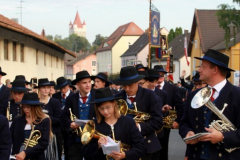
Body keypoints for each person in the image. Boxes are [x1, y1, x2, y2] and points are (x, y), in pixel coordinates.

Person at [179, 49, 240, 160]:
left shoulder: (237, 95)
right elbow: (184, 122)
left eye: (203, 66)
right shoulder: (193, 95)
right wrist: (188, 132)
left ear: (215, 70)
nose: (199, 70)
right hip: (196, 156)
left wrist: (223, 136)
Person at [82, 87, 147, 160]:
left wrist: (125, 155)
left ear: (114, 104)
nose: (105, 112)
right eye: (101, 108)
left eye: (108, 107)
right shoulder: (94, 124)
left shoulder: (128, 122)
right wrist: (98, 145)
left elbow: (141, 147)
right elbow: (85, 152)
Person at [114, 66, 163, 160]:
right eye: (124, 85)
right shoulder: (117, 97)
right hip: (124, 148)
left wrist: (139, 127)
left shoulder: (149, 95)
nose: (127, 89)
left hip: (147, 147)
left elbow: (158, 121)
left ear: (137, 82)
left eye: (130, 85)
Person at [61, 71, 96, 160]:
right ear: (78, 85)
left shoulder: (96, 97)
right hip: (75, 141)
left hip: (92, 141)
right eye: (84, 83)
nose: (88, 85)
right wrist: (70, 124)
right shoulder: (71, 98)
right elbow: (64, 116)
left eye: (89, 82)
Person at [153, 65, 184, 160]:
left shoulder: (172, 88)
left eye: (162, 74)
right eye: (158, 74)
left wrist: (178, 120)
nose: (160, 76)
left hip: (165, 124)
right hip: (151, 122)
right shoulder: (148, 87)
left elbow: (180, 106)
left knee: (163, 148)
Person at [10, 92, 51, 160]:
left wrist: (25, 152)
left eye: (28, 107)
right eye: (24, 106)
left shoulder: (44, 121)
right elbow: (9, 138)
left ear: (35, 107)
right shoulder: (17, 120)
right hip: (18, 156)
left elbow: (43, 143)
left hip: (36, 157)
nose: (25, 109)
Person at [35, 78, 62, 159]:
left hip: (52, 136)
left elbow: (59, 120)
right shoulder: (35, 102)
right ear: (39, 89)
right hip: (38, 136)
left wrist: (47, 117)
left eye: (47, 87)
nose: (46, 90)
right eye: (43, 87)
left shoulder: (55, 102)